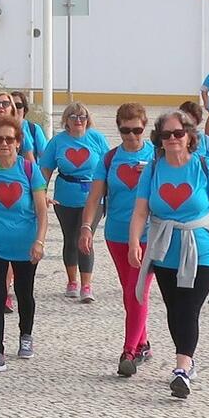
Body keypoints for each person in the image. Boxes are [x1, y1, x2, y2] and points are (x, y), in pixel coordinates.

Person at [129, 112, 209, 399]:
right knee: (174, 308)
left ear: (190, 137)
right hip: (164, 249)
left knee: (189, 308)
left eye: (178, 133)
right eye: (166, 135)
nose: (172, 139)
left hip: (202, 249)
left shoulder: (205, 167)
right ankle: (187, 360)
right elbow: (142, 209)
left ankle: (182, 367)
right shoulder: (154, 169)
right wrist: (134, 241)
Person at [79, 104, 158, 376]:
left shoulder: (157, 157)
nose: (132, 136)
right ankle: (143, 342)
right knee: (129, 291)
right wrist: (87, 227)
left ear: (145, 127)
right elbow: (95, 196)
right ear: (118, 129)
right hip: (116, 235)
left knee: (138, 291)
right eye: (126, 130)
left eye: (137, 130)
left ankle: (129, 351)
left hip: (150, 235)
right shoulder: (110, 159)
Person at [0, 116, 46, 372]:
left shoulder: (29, 170)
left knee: (25, 293)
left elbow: (41, 210)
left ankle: (26, 334)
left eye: (9, 139)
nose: (4, 144)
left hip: (25, 244)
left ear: (18, 142)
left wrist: (39, 240)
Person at [40, 103, 110, 305]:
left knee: (84, 236)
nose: (78, 120)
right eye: (73, 116)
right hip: (65, 196)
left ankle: (86, 285)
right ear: (66, 120)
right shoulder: (57, 142)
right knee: (70, 238)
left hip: (93, 197)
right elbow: (45, 169)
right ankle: (72, 281)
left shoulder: (96, 139)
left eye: (82, 116)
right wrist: (41, 193)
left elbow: (108, 165)